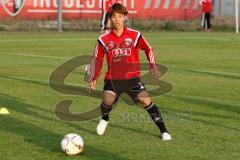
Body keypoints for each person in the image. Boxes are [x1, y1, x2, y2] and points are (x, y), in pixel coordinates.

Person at [88, 3, 171, 140]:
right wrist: (93, 78)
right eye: (114, 17)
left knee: (145, 100)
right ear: (110, 18)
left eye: (120, 16)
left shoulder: (135, 35)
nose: (117, 20)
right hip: (113, 79)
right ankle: (105, 118)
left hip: (132, 78)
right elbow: (97, 59)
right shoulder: (103, 39)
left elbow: (148, 49)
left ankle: (164, 131)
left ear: (125, 17)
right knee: (108, 100)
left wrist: (153, 65)